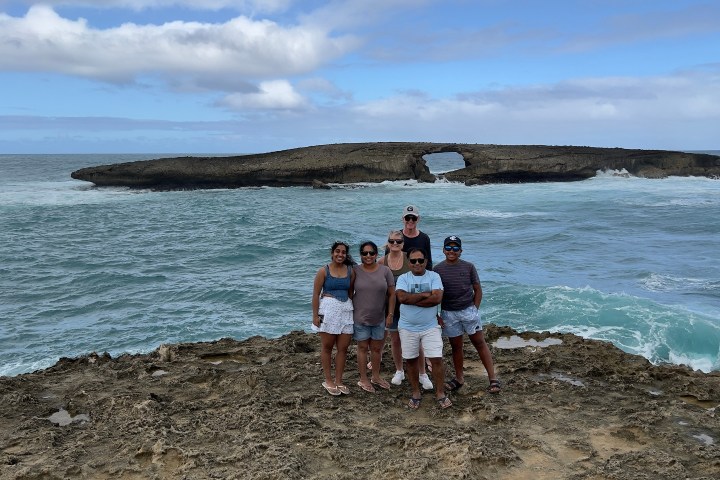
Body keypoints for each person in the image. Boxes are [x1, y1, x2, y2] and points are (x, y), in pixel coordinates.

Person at [434, 236, 501, 394]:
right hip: (448, 313)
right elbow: (434, 295)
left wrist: (474, 309)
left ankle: (493, 378)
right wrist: (437, 314)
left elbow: (478, 289)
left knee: (479, 343)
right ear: (443, 250)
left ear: (461, 251)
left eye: (455, 248)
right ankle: (459, 378)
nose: (452, 251)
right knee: (456, 347)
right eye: (448, 248)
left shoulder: (469, 267)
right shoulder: (437, 270)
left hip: (468, 311)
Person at [396, 248, 451, 409]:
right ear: (408, 262)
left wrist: (412, 299)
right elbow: (401, 298)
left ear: (426, 261)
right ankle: (415, 393)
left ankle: (440, 393)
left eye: (420, 260)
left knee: (436, 359)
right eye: (413, 261)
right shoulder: (403, 278)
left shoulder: (434, 276)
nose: (417, 263)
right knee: (411, 360)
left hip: (431, 326)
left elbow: (437, 298)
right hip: (407, 327)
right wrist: (425, 294)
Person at [312, 241, 356, 396]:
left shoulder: (350, 271)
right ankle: (328, 380)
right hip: (328, 312)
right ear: (332, 253)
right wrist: (315, 315)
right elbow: (316, 294)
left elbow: (351, 293)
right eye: (337, 251)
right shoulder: (323, 271)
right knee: (327, 347)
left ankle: (339, 380)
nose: (340, 254)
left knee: (343, 348)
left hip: (346, 311)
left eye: (343, 252)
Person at [352, 241, 396, 392]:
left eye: (371, 253)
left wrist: (390, 314)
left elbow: (392, 294)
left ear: (376, 254)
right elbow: (349, 293)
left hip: (379, 317)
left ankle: (375, 376)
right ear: (361, 255)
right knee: (363, 348)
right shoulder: (355, 270)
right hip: (360, 317)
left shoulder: (385, 271)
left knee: (377, 349)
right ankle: (363, 379)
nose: (368, 256)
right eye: (365, 253)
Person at [399, 205, 433, 270]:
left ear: (418, 219)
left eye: (414, 218)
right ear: (403, 219)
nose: (410, 220)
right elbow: (388, 259)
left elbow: (428, 262)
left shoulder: (424, 238)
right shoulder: (396, 238)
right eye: (407, 218)